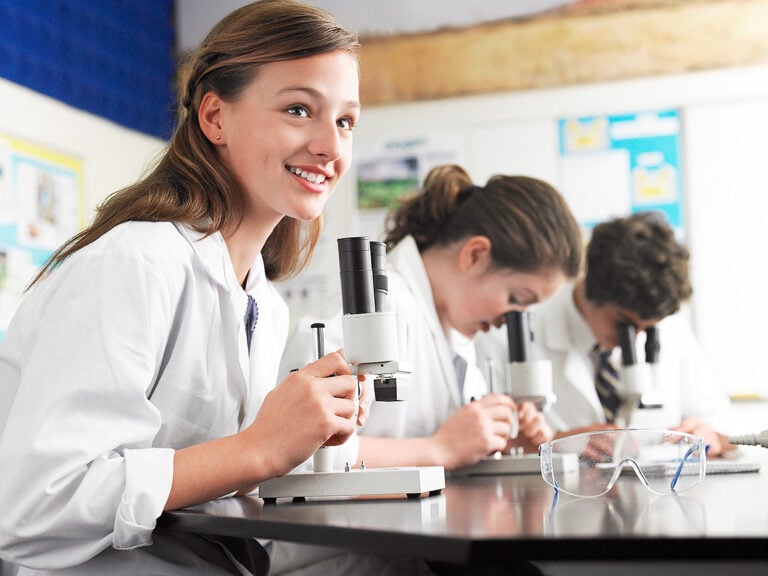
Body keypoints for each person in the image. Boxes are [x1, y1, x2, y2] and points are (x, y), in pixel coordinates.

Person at [0, 1, 365, 574]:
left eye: (345, 121)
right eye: (300, 109)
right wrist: (258, 447)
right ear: (215, 118)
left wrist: (300, 443)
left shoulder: (262, 303)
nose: (331, 147)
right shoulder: (134, 264)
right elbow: (34, 507)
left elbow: (209, 475)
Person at [280, 164, 584, 473]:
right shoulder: (368, 313)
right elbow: (298, 455)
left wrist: (503, 443)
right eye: (517, 299)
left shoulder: (455, 335)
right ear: (475, 255)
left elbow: (452, 449)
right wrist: (440, 448)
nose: (512, 321)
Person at [475, 211, 738, 456]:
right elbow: (490, 447)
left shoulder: (668, 325)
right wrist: (558, 443)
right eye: (624, 325)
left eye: (646, 329)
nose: (634, 340)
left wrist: (711, 435)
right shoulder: (510, 333)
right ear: (592, 289)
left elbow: (726, 428)